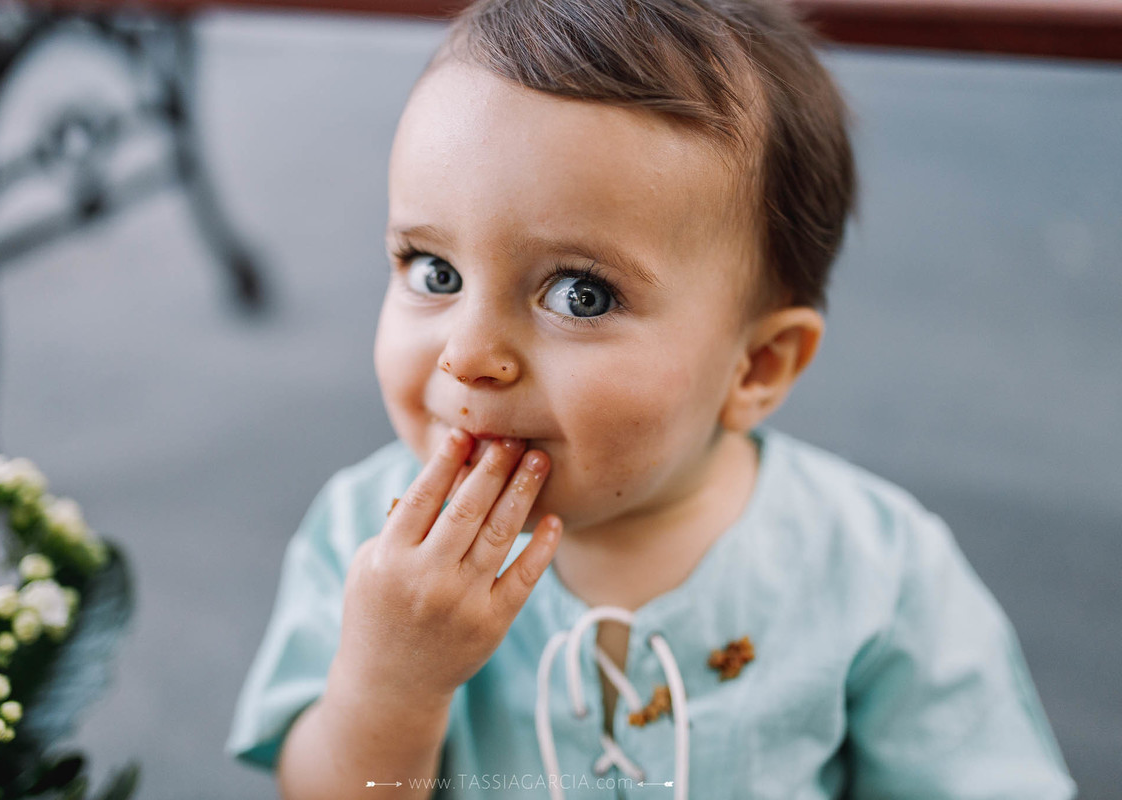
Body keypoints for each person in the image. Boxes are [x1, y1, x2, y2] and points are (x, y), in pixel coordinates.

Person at [227, 1, 1076, 797]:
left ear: (759, 367)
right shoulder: (363, 539)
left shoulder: (874, 571)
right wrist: (391, 683)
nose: (469, 354)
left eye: (580, 295)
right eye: (433, 272)